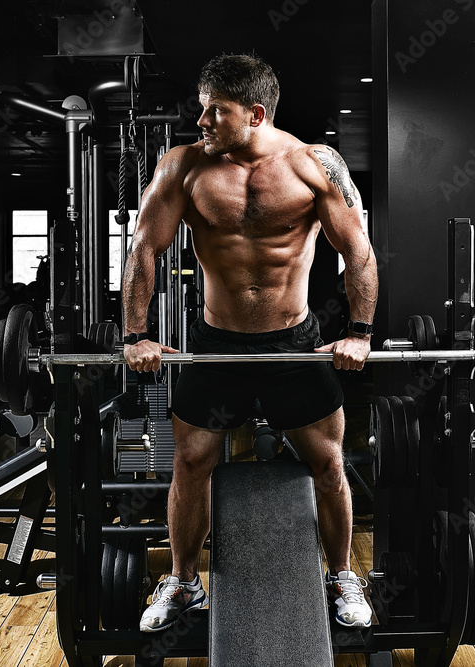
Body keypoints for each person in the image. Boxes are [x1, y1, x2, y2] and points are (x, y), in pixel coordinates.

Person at [121, 53, 378, 633]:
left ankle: (340, 575)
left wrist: (359, 334)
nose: (202, 122)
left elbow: (358, 252)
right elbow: (143, 249)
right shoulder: (182, 167)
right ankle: (185, 583)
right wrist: (136, 336)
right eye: (202, 109)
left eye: (217, 112)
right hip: (217, 346)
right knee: (190, 461)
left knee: (327, 461)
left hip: (294, 345)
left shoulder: (315, 166)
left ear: (256, 114)